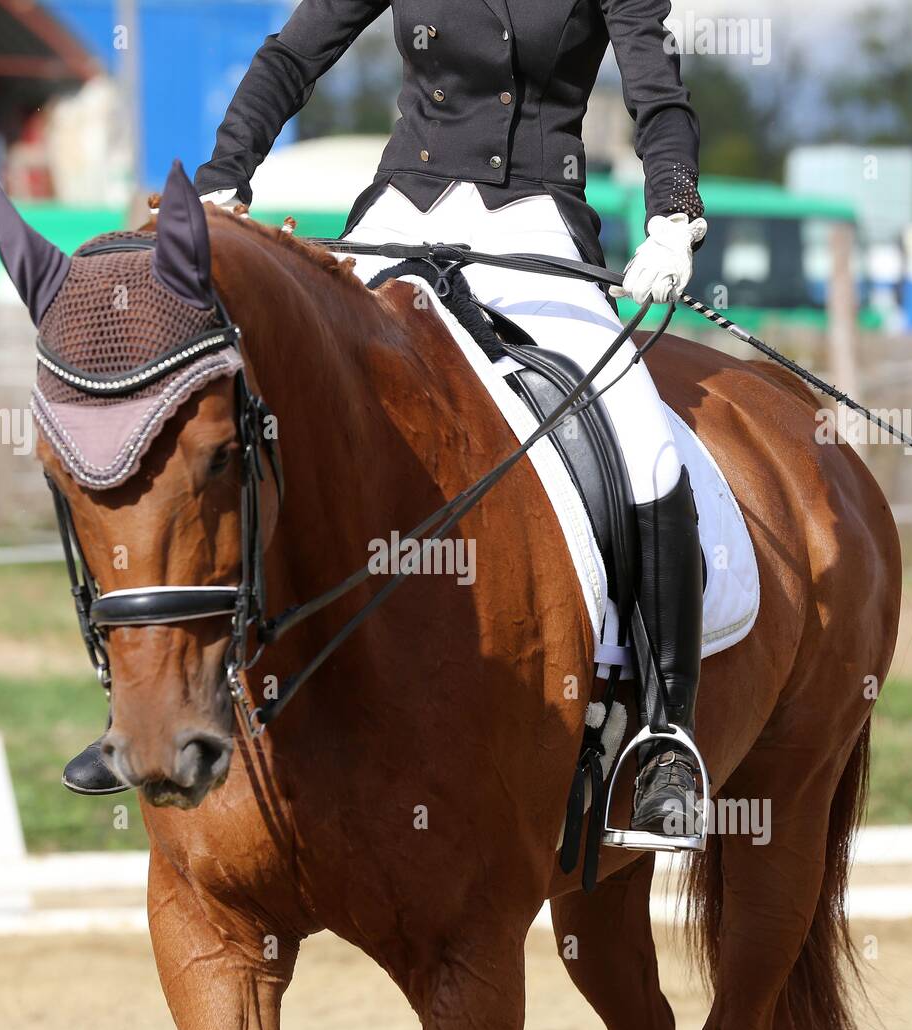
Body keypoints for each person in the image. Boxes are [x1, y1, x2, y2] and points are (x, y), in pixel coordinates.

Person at [65, 0, 708, 840]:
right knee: (264, 402)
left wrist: (671, 211)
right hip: (401, 219)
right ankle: (170, 695)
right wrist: (227, 172)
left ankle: (663, 736)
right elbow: (294, 54)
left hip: (535, 225)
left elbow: (655, 86)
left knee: (645, 442)